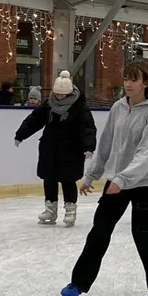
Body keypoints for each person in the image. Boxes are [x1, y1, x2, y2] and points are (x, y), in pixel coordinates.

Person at [60, 63, 148, 296]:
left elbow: (147, 151)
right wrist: (92, 175)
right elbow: (107, 144)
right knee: (98, 233)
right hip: (115, 181)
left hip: (140, 182)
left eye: (135, 79)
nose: (129, 84)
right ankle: (78, 283)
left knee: (145, 238)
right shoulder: (118, 108)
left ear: (146, 83)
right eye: (126, 79)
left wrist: (124, 179)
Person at [14, 71, 97, 227]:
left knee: (68, 180)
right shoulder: (48, 104)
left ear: (69, 93)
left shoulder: (79, 107)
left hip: (71, 149)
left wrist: (88, 147)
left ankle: (70, 210)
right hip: (50, 148)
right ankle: (50, 210)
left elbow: (87, 128)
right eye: (56, 94)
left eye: (62, 95)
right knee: (49, 178)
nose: (58, 97)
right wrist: (20, 135)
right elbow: (34, 120)